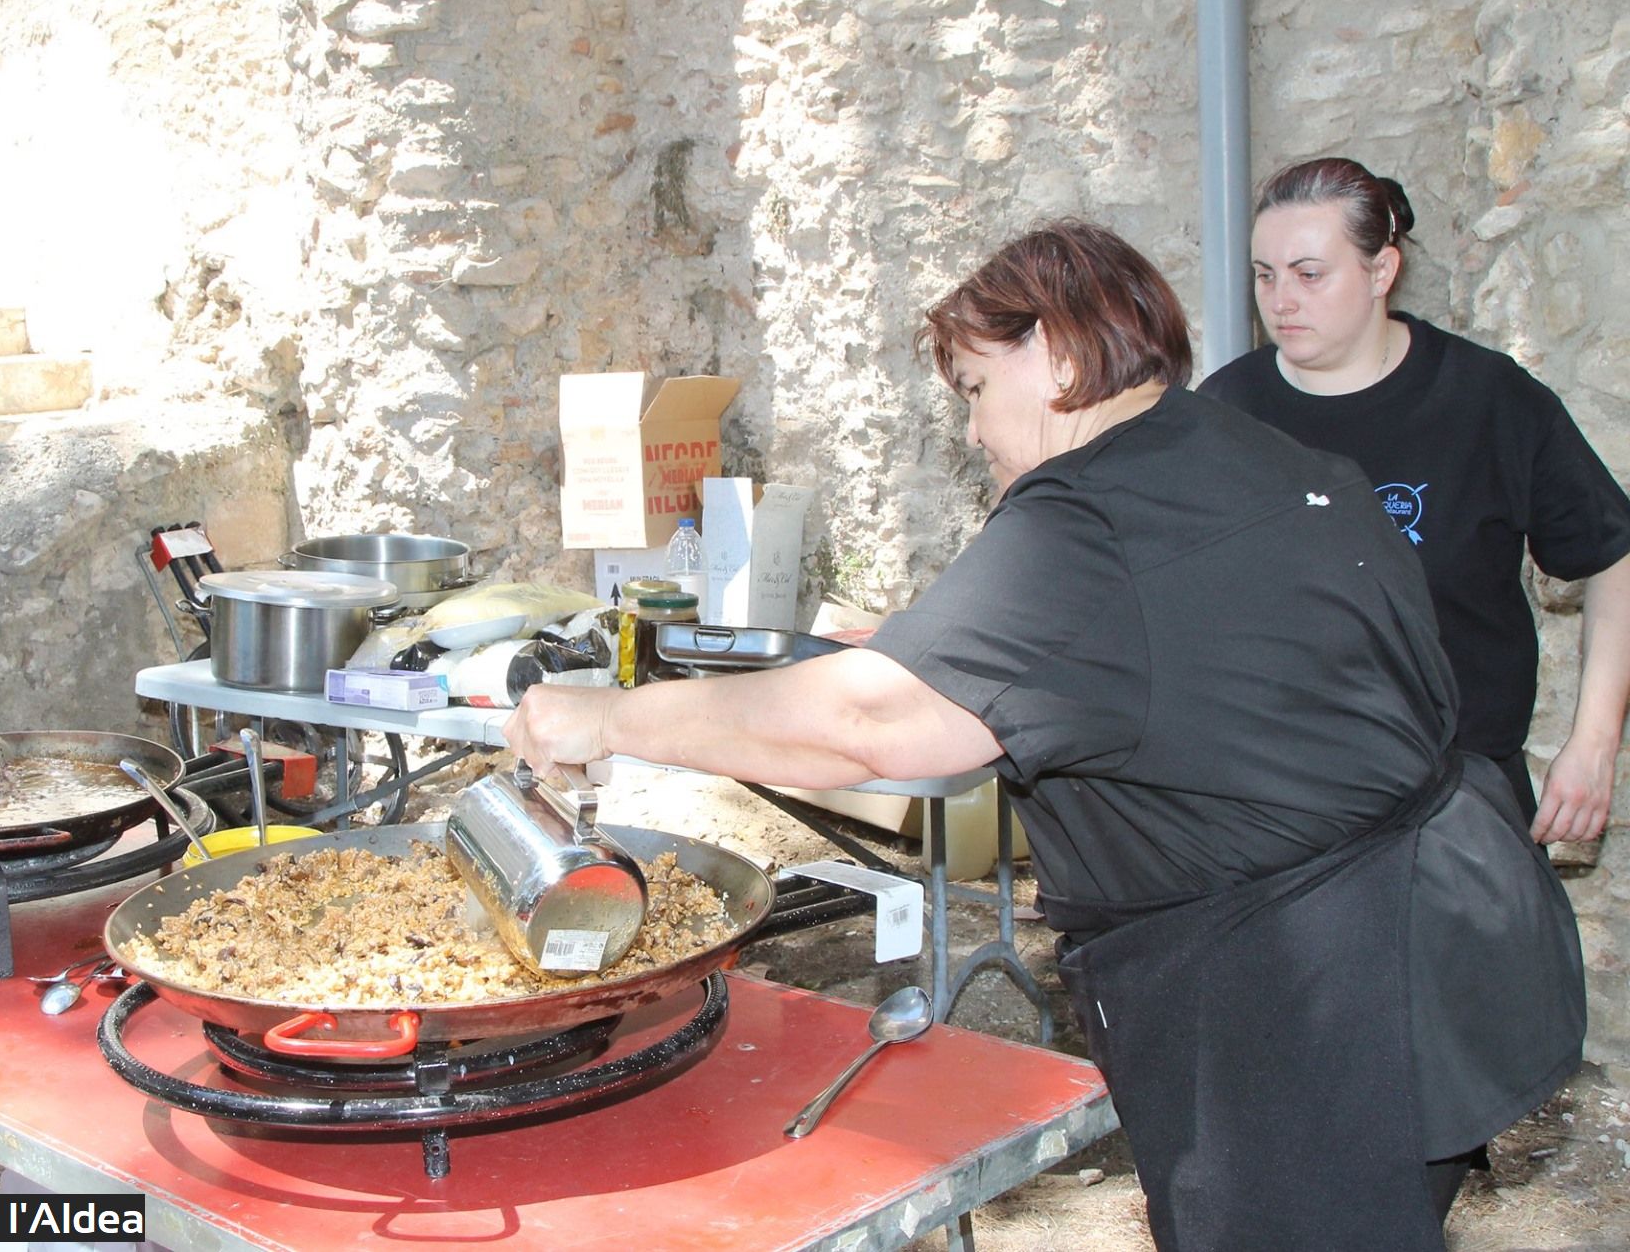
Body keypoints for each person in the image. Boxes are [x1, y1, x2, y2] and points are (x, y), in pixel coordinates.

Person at [504, 221, 1584, 1250]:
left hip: (1302, 1007)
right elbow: (1180, 655)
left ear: (1058, 354)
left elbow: (873, 724)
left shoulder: (1092, 514)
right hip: (1444, 941)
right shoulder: (1254, 453)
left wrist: (610, 716)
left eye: (976, 388)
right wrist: (942, 647)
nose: (973, 430)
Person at [1200, 156, 1630, 845]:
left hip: (1461, 808)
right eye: (1265, 275)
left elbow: (1614, 555)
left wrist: (1594, 745)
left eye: (1309, 274)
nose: (1281, 300)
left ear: (1381, 272)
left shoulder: (1486, 399)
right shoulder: (1224, 412)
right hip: (1282, 810)